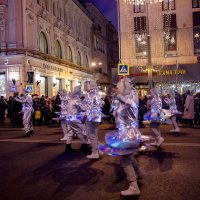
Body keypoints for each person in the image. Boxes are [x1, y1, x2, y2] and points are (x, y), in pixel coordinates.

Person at [99, 78, 152, 196]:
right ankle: (138, 173)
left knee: (125, 160)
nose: (115, 90)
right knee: (130, 156)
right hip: (126, 133)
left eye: (118, 88)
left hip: (129, 134)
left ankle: (134, 187)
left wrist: (118, 97)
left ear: (123, 89)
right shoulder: (125, 101)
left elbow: (128, 105)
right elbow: (118, 112)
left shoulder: (130, 102)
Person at [81, 80, 104, 159]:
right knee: (95, 135)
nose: (84, 87)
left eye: (86, 85)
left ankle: (95, 153)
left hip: (91, 117)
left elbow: (87, 107)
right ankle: (98, 150)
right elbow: (100, 104)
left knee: (91, 135)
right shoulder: (96, 94)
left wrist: (81, 107)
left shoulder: (89, 95)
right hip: (97, 117)